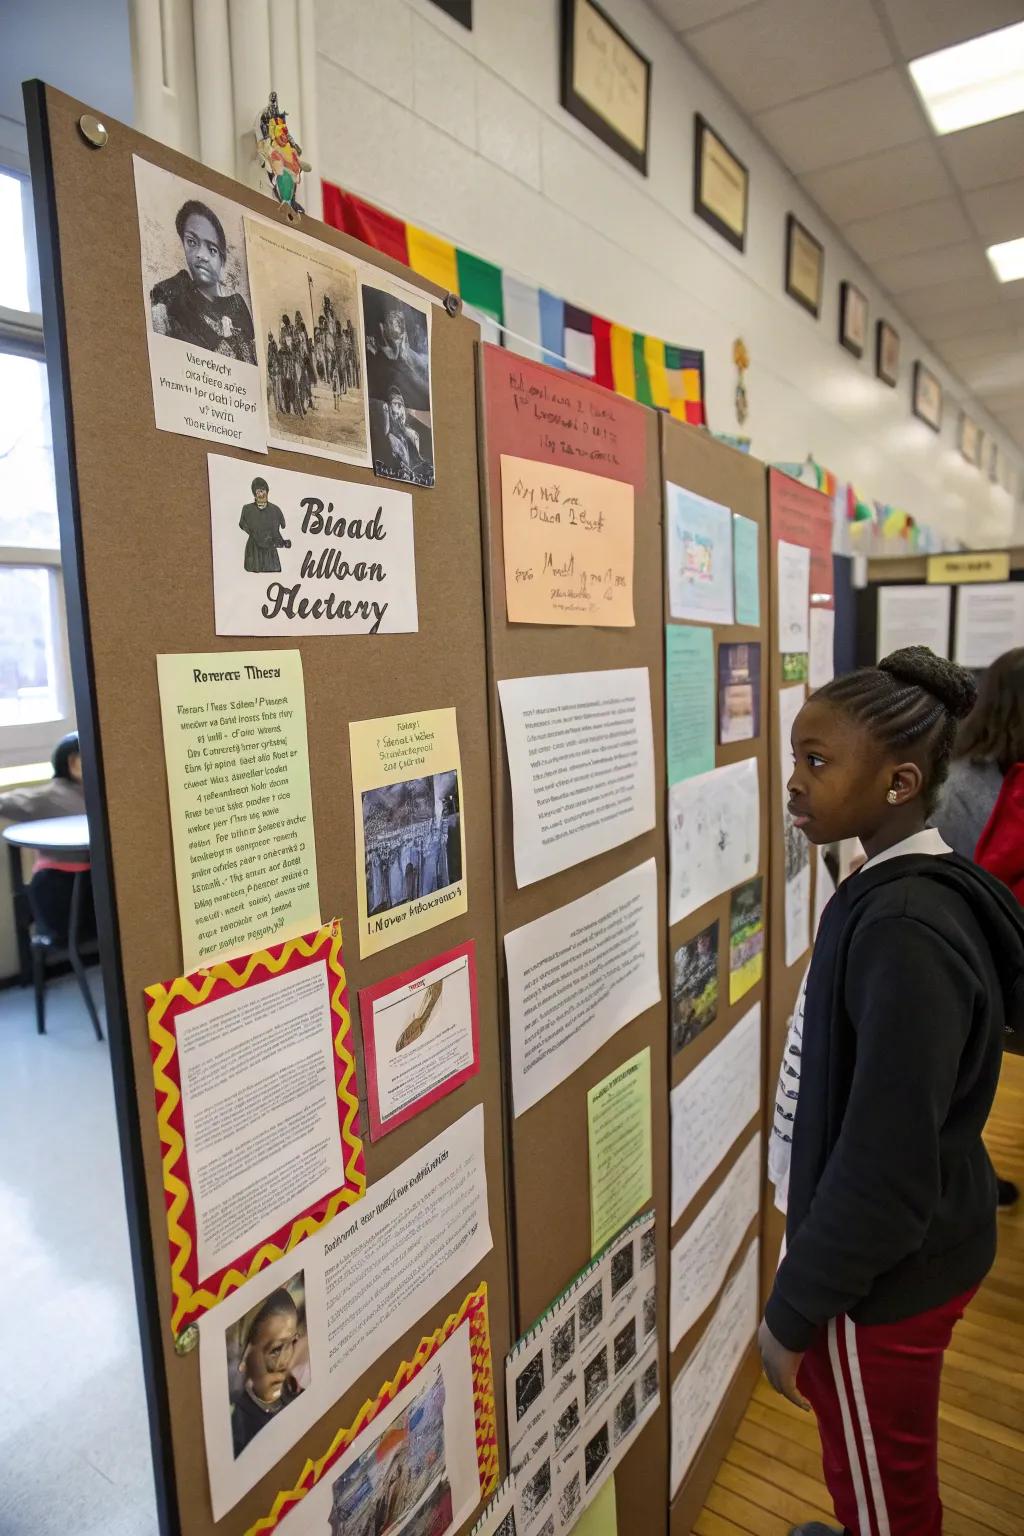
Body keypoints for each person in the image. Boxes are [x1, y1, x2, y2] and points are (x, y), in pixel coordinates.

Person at [760, 647, 1024, 1536]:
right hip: (895, 1257)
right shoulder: (886, 892)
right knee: (869, 1465)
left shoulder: (907, 930)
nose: (794, 782)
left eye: (818, 761)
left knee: (884, 1489)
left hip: (883, 1285)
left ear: (901, 781)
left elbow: (886, 1166)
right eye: (797, 757)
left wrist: (794, 1310)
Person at [934, 646, 1024, 1208]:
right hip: (978, 962)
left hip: (980, 962)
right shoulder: (971, 787)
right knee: (964, 1088)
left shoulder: (971, 780)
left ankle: (973, 1180)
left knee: (966, 1087)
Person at [0, 732, 89, 942]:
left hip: (79, 894)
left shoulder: (100, 792)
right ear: (73, 763)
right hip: (71, 893)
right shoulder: (50, 796)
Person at [150, 200, 256, 363]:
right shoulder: (172, 296)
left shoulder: (238, 306)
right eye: (192, 242)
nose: (200, 254)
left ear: (222, 259)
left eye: (212, 249)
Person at [231, 1288, 304, 1457]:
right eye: (276, 1350)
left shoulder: (295, 1392)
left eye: (293, 1342)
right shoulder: (239, 1430)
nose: (286, 1360)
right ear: (245, 1356)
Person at [239, 476, 290, 573]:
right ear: (254, 494)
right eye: (258, 492)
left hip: (270, 553)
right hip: (254, 552)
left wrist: (282, 543)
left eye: (263, 491)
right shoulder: (247, 509)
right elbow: (243, 525)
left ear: (267, 492)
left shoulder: (275, 510)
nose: (261, 494)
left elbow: (277, 531)